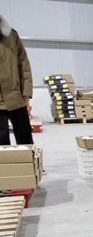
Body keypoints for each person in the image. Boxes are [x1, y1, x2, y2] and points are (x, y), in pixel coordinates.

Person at [0, 13, 33, 145]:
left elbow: (24, 64)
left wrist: (27, 92)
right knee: (1, 143)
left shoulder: (12, 36)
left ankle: (29, 159)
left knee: (25, 138)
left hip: (16, 97)